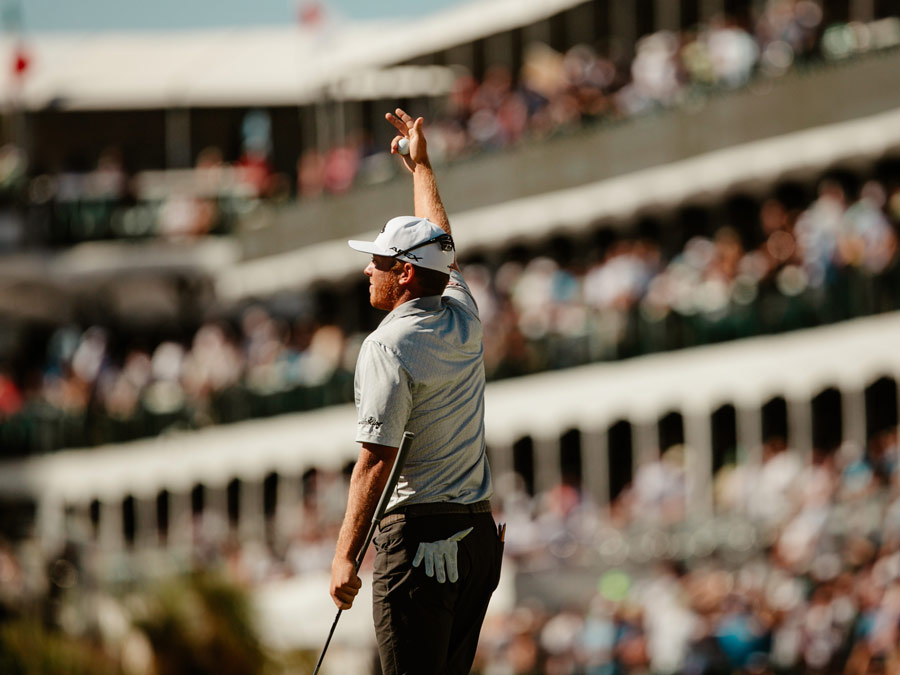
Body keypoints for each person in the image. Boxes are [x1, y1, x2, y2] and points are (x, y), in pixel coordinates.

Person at [329, 108, 504, 674]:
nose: (367, 271)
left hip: (422, 543)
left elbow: (376, 463)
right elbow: (442, 242)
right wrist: (420, 166)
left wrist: (345, 556)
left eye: (377, 261)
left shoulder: (386, 346)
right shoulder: (463, 310)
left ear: (404, 273)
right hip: (476, 539)